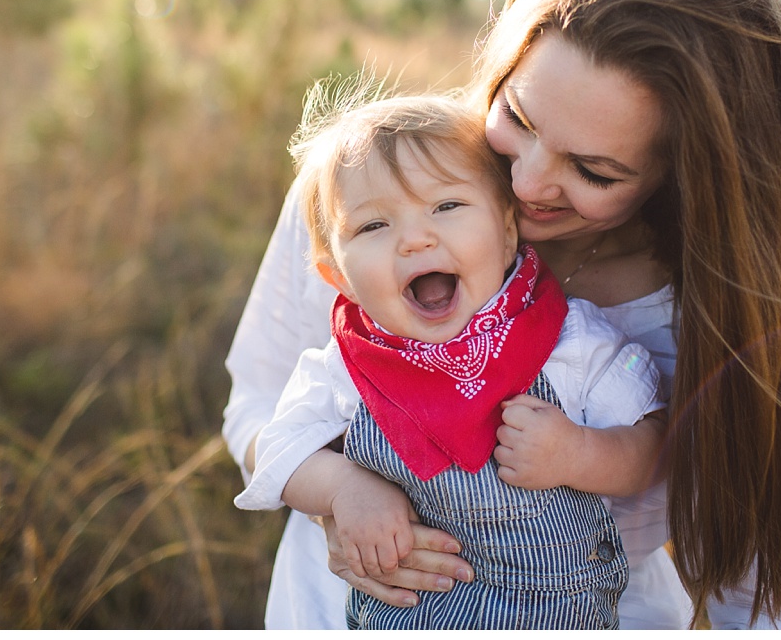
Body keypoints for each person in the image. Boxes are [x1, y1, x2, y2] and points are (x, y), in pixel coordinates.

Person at [223, 0, 781, 629]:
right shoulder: (364, 194)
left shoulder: (714, 318)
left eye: (593, 170)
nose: (525, 182)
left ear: (689, 175)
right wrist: (336, 499)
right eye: (518, 117)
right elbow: (258, 402)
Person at [235, 88, 667, 628]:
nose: (415, 239)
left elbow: (654, 444)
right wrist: (342, 489)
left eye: (447, 207)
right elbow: (279, 447)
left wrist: (580, 453)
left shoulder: (565, 339)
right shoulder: (348, 364)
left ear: (509, 230)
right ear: (337, 276)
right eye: (373, 226)